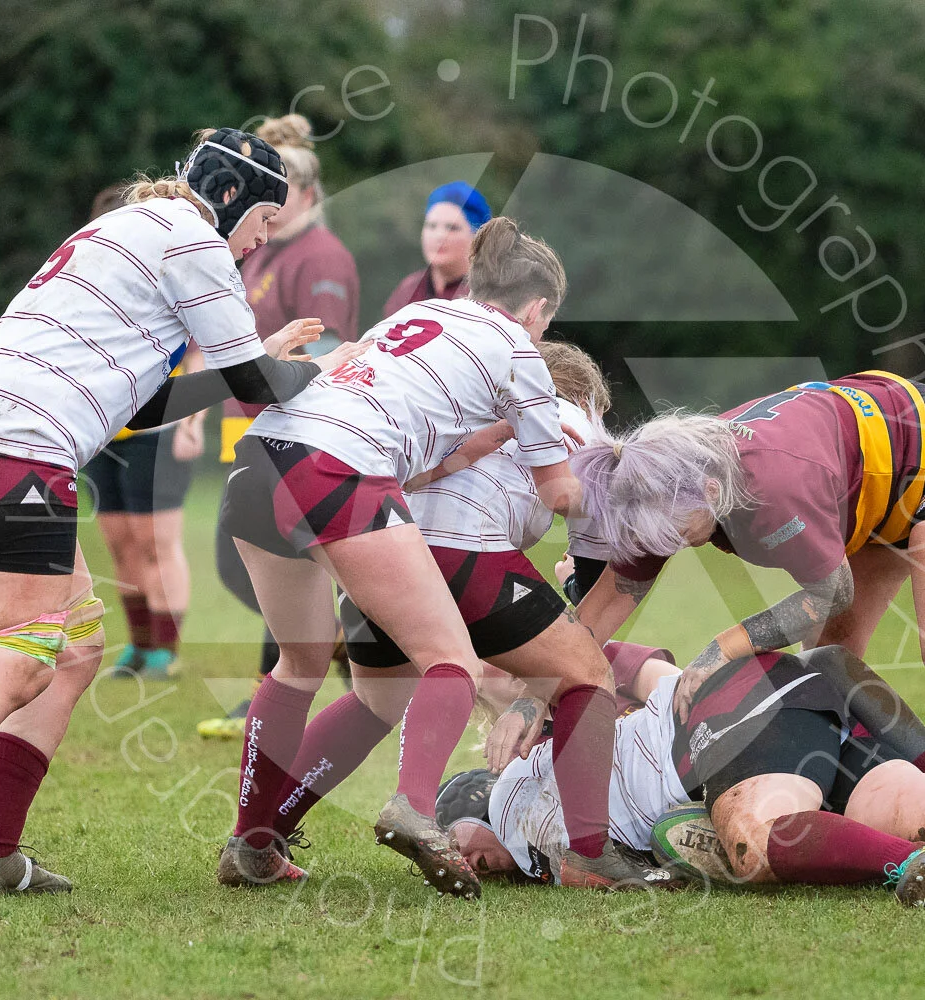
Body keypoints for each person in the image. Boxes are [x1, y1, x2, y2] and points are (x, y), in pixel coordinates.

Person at [0, 127, 362, 902]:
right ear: (235, 197)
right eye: (266, 220)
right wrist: (314, 368)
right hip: (15, 446)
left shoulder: (131, 228)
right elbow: (255, 385)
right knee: (20, 653)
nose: (263, 239)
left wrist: (266, 359)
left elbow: (141, 405)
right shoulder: (196, 238)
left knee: (74, 651)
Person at [216, 218, 628, 899]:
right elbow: (561, 492)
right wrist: (619, 487)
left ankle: (254, 842)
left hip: (260, 464)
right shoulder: (523, 358)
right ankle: (472, 822)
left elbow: (415, 452)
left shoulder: (416, 318)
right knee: (492, 662)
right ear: (539, 311)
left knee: (312, 669)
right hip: (352, 481)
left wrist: (478, 445)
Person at [570, 370, 925, 887]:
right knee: (824, 667)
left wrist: (719, 649)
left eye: (675, 533)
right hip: (866, 485)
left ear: (710, 491)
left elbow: (830, 591)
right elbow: (593, 620)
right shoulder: (654, 482)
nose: (668, 545)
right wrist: (533, 693)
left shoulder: (772, 488)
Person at [443, 640, 925, 904]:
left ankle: (908, 867)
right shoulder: (533, 840)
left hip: (736, 719)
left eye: (455, 837)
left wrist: (535, 695)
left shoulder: (515, 795)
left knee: (754, 839)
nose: (462, 856)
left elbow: (633, 669)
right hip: (786, 719)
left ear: (475, 804)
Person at [201, 115, 363, 735]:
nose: (278, 195)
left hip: (289, 427)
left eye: (290, 183)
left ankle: (308, 662)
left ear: (312, 194)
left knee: (259, 556)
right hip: (245, 422)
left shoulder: (322, 255)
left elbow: (327, 351)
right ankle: (312, 660)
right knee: (246, 560)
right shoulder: (263, 250)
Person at [73, 185, 206, 682]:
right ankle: (138, 644)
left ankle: (164, 653)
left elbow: (199, 353)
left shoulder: (171, 282)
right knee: (121, 544)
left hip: (161, 425)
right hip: (104, 430)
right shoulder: (86, 286)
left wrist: (193, 424)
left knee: (157, 544)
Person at [381, 182, 491, 318]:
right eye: (431, 226)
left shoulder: (491, 294)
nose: (439, 236)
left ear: (477, 236)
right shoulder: (408, 289)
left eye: (452, 228)